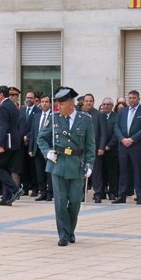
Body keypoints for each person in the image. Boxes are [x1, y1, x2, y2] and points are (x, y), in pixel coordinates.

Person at [37, 87, 96, 246]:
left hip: (77, 164)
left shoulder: (85, 119)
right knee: (61, 201)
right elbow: (41, 138)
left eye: (60, 104)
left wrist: (89, 164)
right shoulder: (54, 118)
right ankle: (64, 234)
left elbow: (90, 145)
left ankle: (70, 229)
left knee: (76, 200)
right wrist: (47, 152)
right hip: (58, 164)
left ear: (70, 104)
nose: (57, 107)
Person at [112, 90, 141, 205]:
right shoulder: (122, 111)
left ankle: (140, 195)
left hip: (137, 146)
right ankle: (122, 195)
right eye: (130, 98)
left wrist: (132, 139)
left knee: (138, 171)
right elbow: (116, 127)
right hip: (123, 145)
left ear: (138, 98)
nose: (132, 100)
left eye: (134, 98)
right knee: (123, 171)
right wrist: (122, 139)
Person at [0, 85, 23, 206]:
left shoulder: (4, 106)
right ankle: (7, 197)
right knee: (6, 168)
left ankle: (15, 190)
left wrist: (0, 145)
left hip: (6, 143)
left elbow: (3, 126)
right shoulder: (11, 105)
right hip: (13, 142)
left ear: (1, 95)